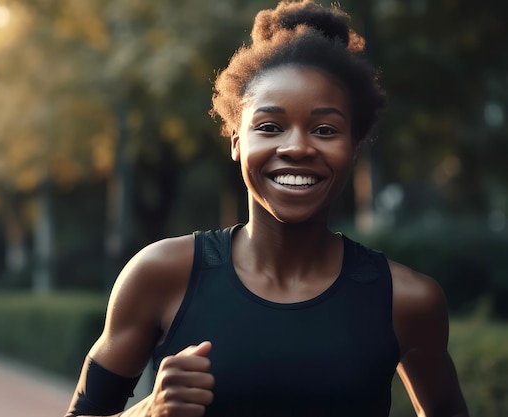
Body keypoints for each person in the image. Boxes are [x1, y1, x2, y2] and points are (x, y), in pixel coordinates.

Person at [65, 1, 469, 416]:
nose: (296, 147)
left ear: (353, 146)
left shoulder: (406, 300)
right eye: (269, 127)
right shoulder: (161, 274)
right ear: (236, 141)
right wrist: (148, 413)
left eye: (325, 129)